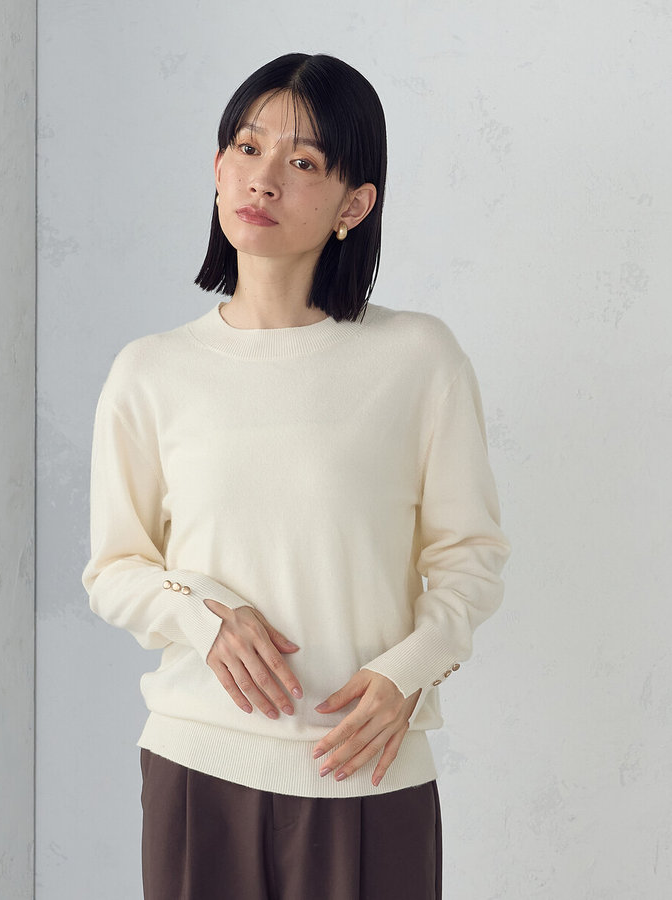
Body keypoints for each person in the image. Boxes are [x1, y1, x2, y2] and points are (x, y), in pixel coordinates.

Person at [82, 52, 510, 900]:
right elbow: (115, 569)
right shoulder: (150, 371)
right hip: (199, 767)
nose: (264, 178)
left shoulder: (419, 358)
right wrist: (205, 617)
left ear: (355, 205)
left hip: (369, 768)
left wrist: (409, 670)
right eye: (248, 148)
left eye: (304, 161)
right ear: (218, 168)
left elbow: (470, 557)